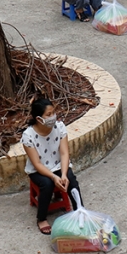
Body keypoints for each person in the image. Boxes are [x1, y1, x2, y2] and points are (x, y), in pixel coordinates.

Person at [22, 97, 81, 234]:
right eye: (48, 115)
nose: (52, 117)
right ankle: (41, 218)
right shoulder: (28, 136)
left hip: (58, 165)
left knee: (71, 179)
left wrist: (64, 174)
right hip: (38, 170)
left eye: (53, 113)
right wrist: (54, 178)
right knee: (47, 184)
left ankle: (80, 211)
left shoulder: (60, 127)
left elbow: (65, 153)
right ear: (39, 118)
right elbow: (36, 163)